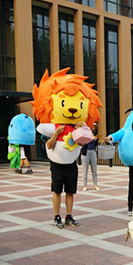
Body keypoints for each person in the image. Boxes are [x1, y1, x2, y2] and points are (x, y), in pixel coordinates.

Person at [31, 68, 102, 229]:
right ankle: (57, 217)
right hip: (56, 165)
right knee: (57, 191)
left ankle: (69, 216)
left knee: (70, 192)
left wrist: (82, 131)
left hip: (71, 164)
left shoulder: (77, 127)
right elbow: (49, 145)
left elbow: (82, 144)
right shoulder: (53, 127)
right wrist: (56, 133)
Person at [81, 126, 101, 191]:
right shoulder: (84, 135)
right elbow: (82, 143)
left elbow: (95, 144)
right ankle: (85, 185)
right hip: (86, 152)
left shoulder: (94, 134)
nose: (93, 128)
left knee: (94, 170)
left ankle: (95, 185)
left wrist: (96, 139)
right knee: (85, 170)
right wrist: (90, 139)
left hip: (92, 151)